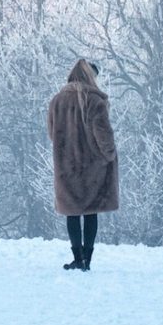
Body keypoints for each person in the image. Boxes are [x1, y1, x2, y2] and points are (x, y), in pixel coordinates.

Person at [47, 59, 118, 271]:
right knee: (90, 212)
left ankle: (77, 259)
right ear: (89, 76)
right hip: (93, 166)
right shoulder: (94, 101)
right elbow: (103, 135)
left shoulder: (57, 101)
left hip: (67, 166)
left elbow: (52, 134)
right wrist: (109, 155)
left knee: (72, 212)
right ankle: (87, 259)